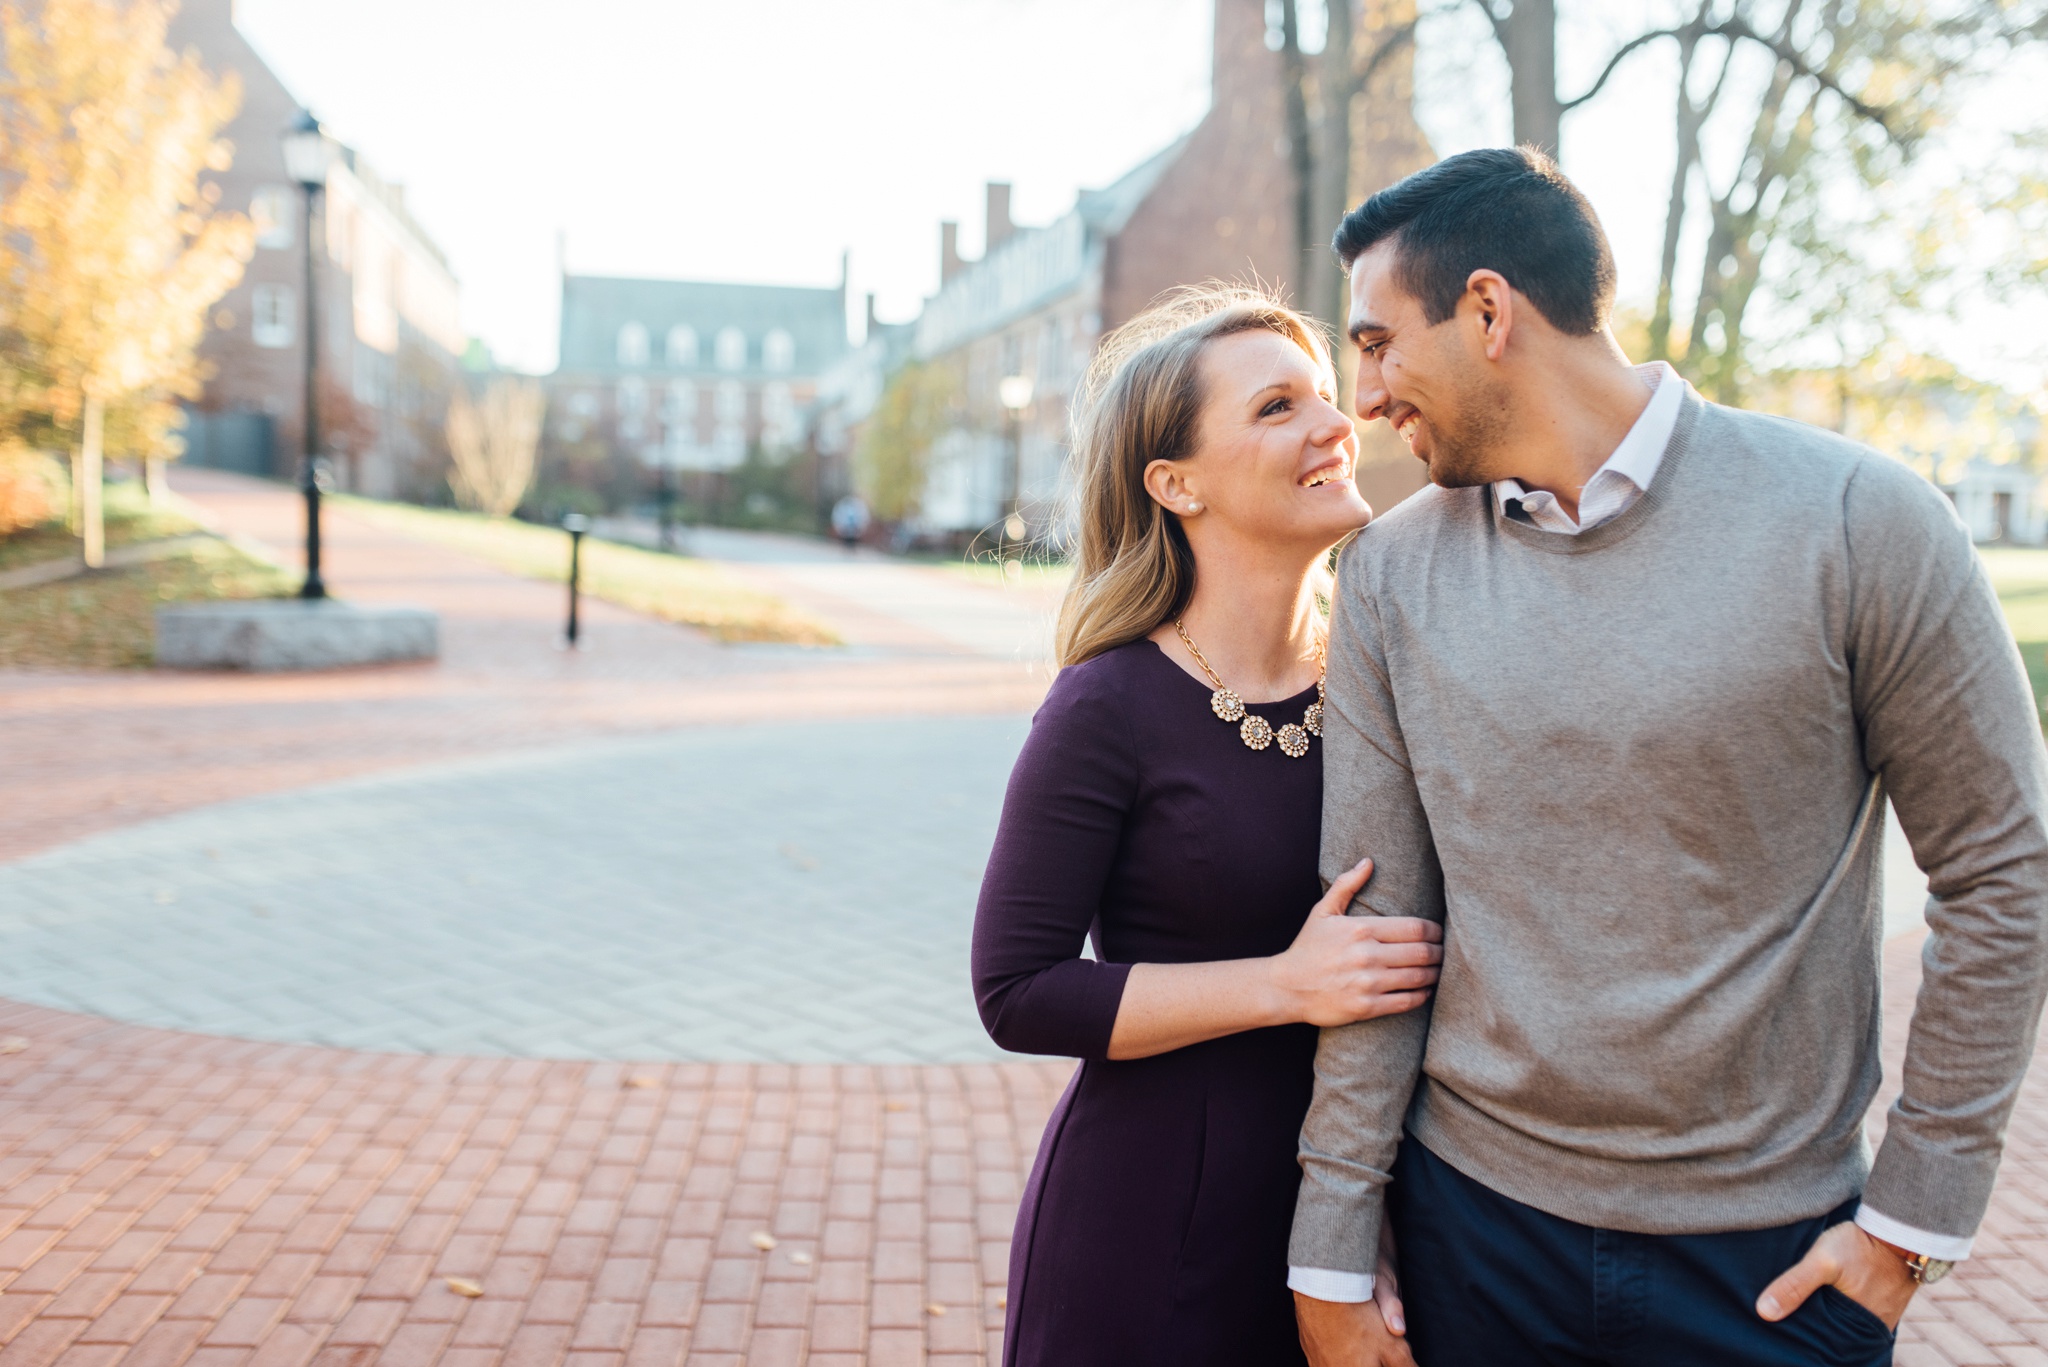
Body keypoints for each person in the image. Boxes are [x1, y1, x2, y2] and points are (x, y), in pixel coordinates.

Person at [1288, 147, 2048, 1367]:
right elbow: (1375, 927)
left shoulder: (1859, 521)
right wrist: (1330, 1240)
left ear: (1488, 311)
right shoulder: (1388, 572)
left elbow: (2001, 872)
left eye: (1376, 343)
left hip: (1768, 1269)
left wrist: (1909, 1223)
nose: (1362, 396)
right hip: (1466, 1239)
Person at [971, 287, 1444, 1366]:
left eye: (1327, 398)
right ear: (1174, 483)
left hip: (1361, 1218)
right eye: (1278, 406)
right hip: (1149, 1223)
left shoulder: (1383, 682)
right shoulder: (1108, 703)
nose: (1336, 425)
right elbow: (1016, 987)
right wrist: (1285, 981)